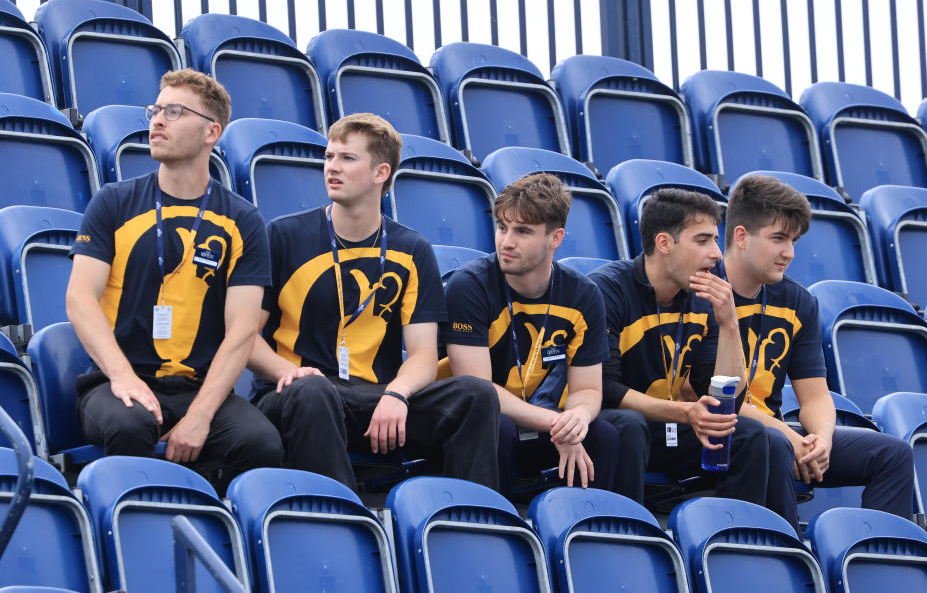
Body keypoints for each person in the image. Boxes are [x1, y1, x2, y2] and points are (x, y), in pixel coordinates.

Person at [247, 112, 499, 491]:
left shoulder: (412, 249)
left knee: (475, 396)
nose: (332, 167)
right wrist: (288, 373)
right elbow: (245, 337)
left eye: (347, 158)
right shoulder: (283, 235)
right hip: (296, 393)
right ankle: (344, 522)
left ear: (382, 173)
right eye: (329, 157)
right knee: (313, 392)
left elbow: (423, 356)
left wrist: (398, 393)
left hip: (375, 396)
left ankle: (472, 518)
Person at [66, 69, 282, 478]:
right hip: (117, 381)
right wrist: (123, 377)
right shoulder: (113, 202)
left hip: (200, 389)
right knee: (132, 424)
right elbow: (79, 298)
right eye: (156, 109)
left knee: (261, 443)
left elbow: (242, 331)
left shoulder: (243, 220)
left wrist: (201, 414)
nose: (157, 120)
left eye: (175, 111)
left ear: (211, 132)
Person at [716, 174, 914, 527]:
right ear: (741, 236)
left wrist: (819, 441)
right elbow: (711, 395)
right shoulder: (704, 290)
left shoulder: (798, 302)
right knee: (773, 443)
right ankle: (789, 559)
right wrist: (790, 438)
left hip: (778, 432)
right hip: (723, 431)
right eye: (778, 239)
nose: (789, 253)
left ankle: (879, 559)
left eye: (793, 241)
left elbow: (816, 398)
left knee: (892, 454)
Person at [589, 188, 792, 517]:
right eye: (703, 240)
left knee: (749, 434)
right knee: (628, 425)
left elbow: (727, 399)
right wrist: (686, 413)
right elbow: (606, 391)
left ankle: (735, 536)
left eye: (715, 239)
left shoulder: (701, 297)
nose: (716, 253)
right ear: (665, 243)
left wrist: (728, 325)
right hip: (607, 428)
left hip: (665, 429)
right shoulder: (606, 290)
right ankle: (628, 537)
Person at [442, 173, 646, 498]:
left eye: (522, 231)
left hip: (545, 420)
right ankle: (495, 528)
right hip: (483, 420)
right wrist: (557, 424)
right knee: (497, 426)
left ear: (555, 238)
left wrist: (576, 419)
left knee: (606, 434)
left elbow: (589, 388)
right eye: (502, 227)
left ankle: (589, 529)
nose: (506, 242)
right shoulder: (470, 285)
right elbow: (478, 390)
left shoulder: (583, 295)